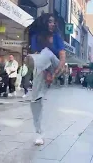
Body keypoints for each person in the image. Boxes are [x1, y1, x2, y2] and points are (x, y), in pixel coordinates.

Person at [24, 13, 66, 145]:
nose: (53, 24)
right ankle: (39, 133)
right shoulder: (36, 37)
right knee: (35, 100)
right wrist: (45, 73)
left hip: (57, 65)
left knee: (47, 52)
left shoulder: (57, 37)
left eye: (54, 22)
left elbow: (62, 57)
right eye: (50, 22)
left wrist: (54, 74)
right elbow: (38, 54)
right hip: (41, 67)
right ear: (44, 23)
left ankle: (31, 62)